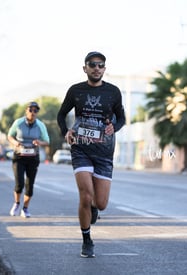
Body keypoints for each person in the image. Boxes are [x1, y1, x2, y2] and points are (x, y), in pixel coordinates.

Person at [57, 51, 125, 258]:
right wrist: (66, 131)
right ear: (85, 68)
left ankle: (94, 207)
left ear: (104, 69)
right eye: (92, 65)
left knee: (101, 203)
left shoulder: (113, 92)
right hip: (81, 149)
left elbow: (121, 118)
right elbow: (61, 114)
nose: (97, 68)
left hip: (104, 151)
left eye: (101, 65)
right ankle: (87, 240)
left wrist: (114, 126)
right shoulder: (75, 90)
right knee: (85, 195)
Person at [7, 101, 50, 218]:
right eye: (30, 110)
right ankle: (16, 204)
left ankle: (25, 209)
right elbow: (9, 135)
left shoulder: (40, 125)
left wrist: (39, 142)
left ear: (37, 113)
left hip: (33, 157)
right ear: (26, 111)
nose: (32, 112)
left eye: (35, 110)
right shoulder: (18, 122)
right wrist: (15, 142)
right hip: (19, 156)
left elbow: (47, 141)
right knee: (19, 183)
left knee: (29, 185)